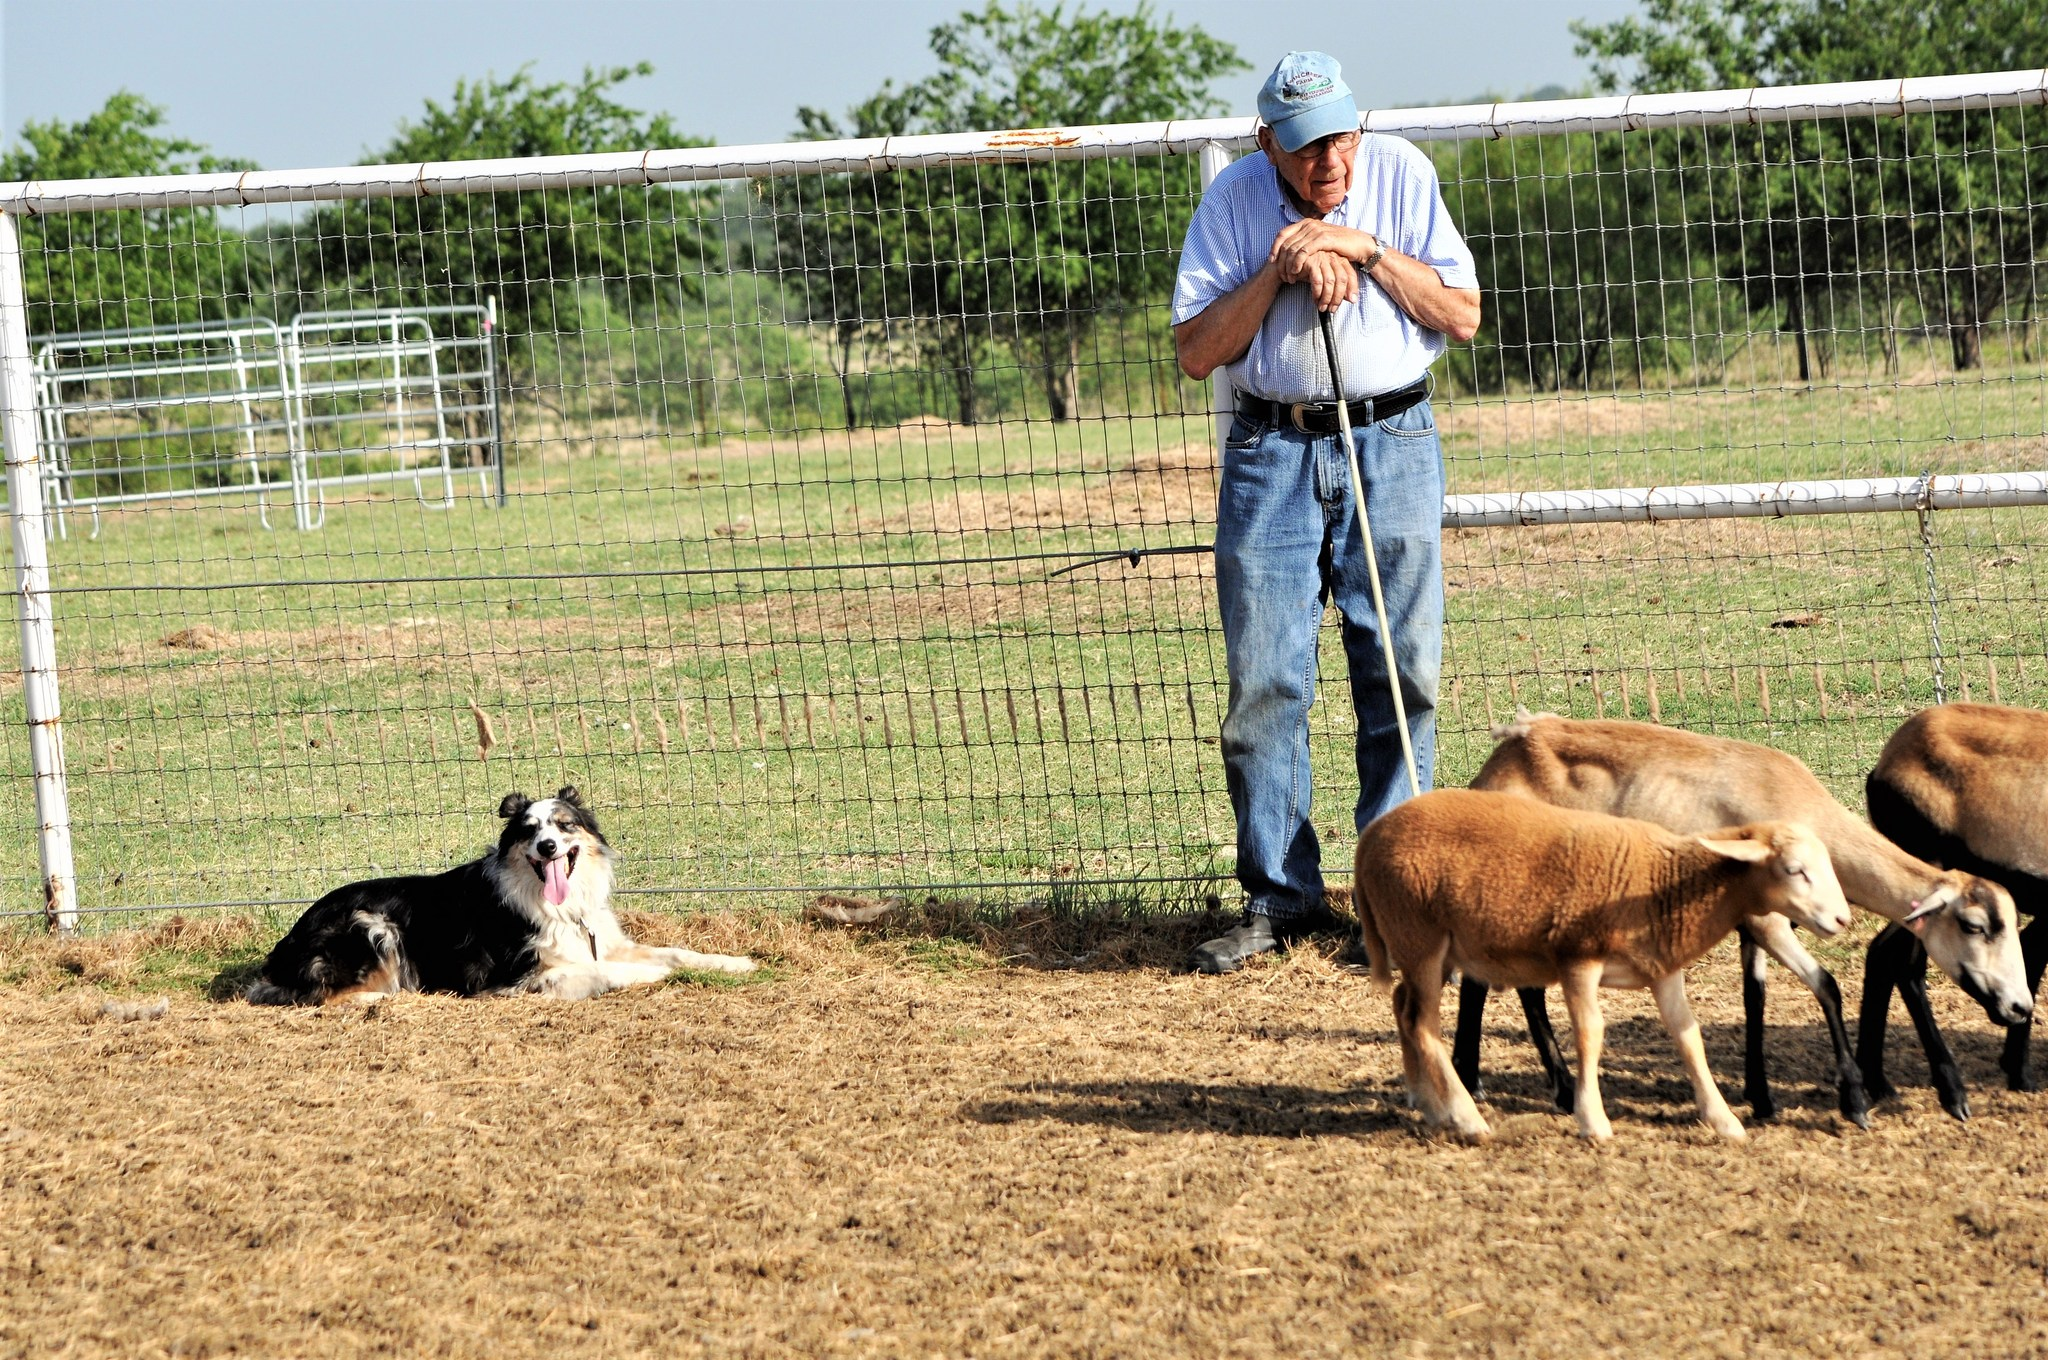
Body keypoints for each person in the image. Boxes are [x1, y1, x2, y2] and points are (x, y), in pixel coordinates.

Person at [1172, 51, 1482, 974]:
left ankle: (1393, 906)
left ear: (1360, 126)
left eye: (1341, 138)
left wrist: (1364, 249)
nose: (1329, 164)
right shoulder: (1232, 201)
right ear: (1266, 143)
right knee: (1265, 681)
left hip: (1392, 440)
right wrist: (1282, 266)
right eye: (1306, 147)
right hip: (1271, 449)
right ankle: (1279, 897)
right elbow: (1196, 352)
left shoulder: (1403, 174)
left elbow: (1460, 314)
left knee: (1400, 668)